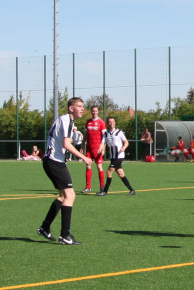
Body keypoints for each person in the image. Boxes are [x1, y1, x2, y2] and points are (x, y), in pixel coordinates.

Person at [37, 97, 91, 245]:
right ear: (70, 108)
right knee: (70, 195)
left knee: (63, 196)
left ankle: (45, 227)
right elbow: (66, 144)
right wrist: (84, 158)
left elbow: (58, 141)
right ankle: (65, 235)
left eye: (82, 106)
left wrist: (63, 155)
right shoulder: (67, 120)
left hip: (52, 161)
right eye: (79, 106)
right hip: (54, 162)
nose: (82, 109)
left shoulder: (65, 120)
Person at [97, 116, 136, 196]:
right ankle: (132, 190)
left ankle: (105, 191)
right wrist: (100, 149)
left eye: (112, 122)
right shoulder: (106, 133)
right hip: (113, 157)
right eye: (109, 122)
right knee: (121, 173)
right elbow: (102, 143)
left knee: (109, 171)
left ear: (115, 123)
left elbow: (126, 142)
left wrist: (123, 148)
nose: (111, 123)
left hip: (119, 156)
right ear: (108, 124)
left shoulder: (119, 132)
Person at [83, 106, 107, 193]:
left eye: (96, 111)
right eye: (93, 111)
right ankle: (88, 187)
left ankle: (102, 187)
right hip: (89, 148)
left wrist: (103, 147)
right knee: (88, 166)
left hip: (97, 149)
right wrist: (82, 146)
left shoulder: (101, 122)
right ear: (91, 112)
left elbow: (105, 137)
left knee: (99, 166)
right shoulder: (88, 122)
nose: (94, 112)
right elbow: (85, 135)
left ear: (98, 112)